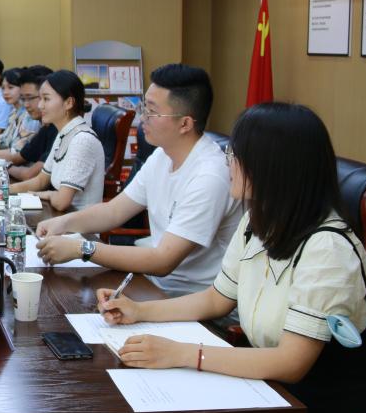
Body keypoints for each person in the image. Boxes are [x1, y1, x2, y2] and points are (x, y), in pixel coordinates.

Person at [101, 103, 366, 413]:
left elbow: (291, 362)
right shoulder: (257, 221)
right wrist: (139, 311)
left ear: (271, 167)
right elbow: (216, 299)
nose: (228, 163)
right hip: (274, 399)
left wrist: (182, 353)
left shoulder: (328, 248)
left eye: (234, 155)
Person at [36, 64, 241, 296]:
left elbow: (163, 260)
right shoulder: (162, 155)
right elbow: (114, 211)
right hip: (153, 284)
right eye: (144, 107)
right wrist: (63, 223)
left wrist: (82, 248)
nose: (143, 118)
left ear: (185, 123)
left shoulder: (209, 176)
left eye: (151, 111)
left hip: (190, 299)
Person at [10, 70, 105, 212]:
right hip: (60, 217)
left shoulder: (82, 140)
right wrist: (4, 190)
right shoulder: (63, 133)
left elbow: (61, 202)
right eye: (40, 99)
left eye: (46, 99)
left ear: (69, 103)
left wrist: (48, 194)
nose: (40, 105)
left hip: (78, 223)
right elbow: (41, 181)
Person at [0, 65, 55, 179]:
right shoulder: (18, 113)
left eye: (11, 87)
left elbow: (23, 165)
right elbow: (11, 148)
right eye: (3, 88)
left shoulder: (36, 121)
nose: (5, 92)